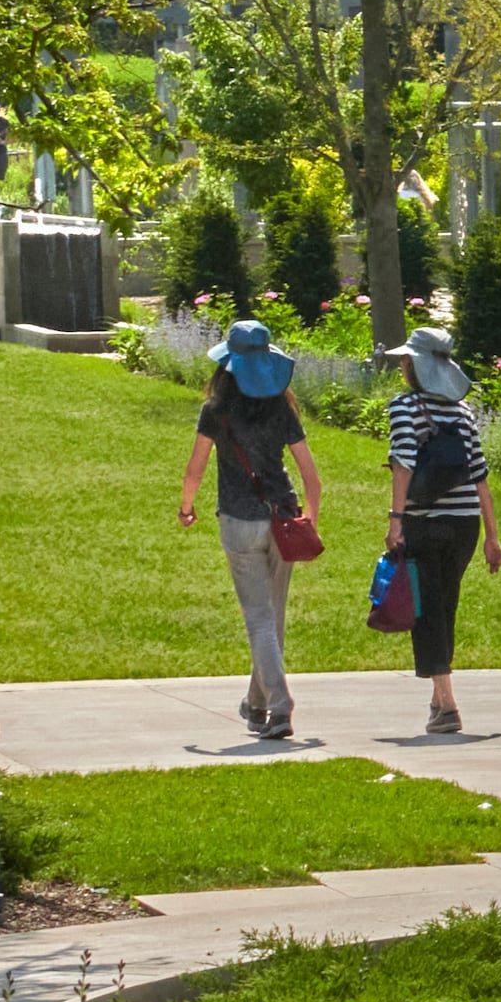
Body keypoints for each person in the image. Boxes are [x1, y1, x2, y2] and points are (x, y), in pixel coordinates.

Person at [175, 315, 326, 740]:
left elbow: (195, 468)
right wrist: (308, 520)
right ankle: (256, 703)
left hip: (239, 521)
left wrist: (186, 507)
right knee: (272, 617)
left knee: (259, 618)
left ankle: (279, 707)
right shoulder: (281, 407)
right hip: (282, 518)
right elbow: (311, 476)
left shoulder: (216, 410)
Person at [381, 324, 501, 738]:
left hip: (423, 521)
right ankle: (438, 699)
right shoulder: (463, 412)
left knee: (426, 610)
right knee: (443, 605)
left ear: (414, 366)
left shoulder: (404, 407)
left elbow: (403, 464)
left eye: (405, 359)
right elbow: (480, 477)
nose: (401, 365)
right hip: (465, 525)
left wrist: (396, 520)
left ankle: (448, 703)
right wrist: (491, 536)